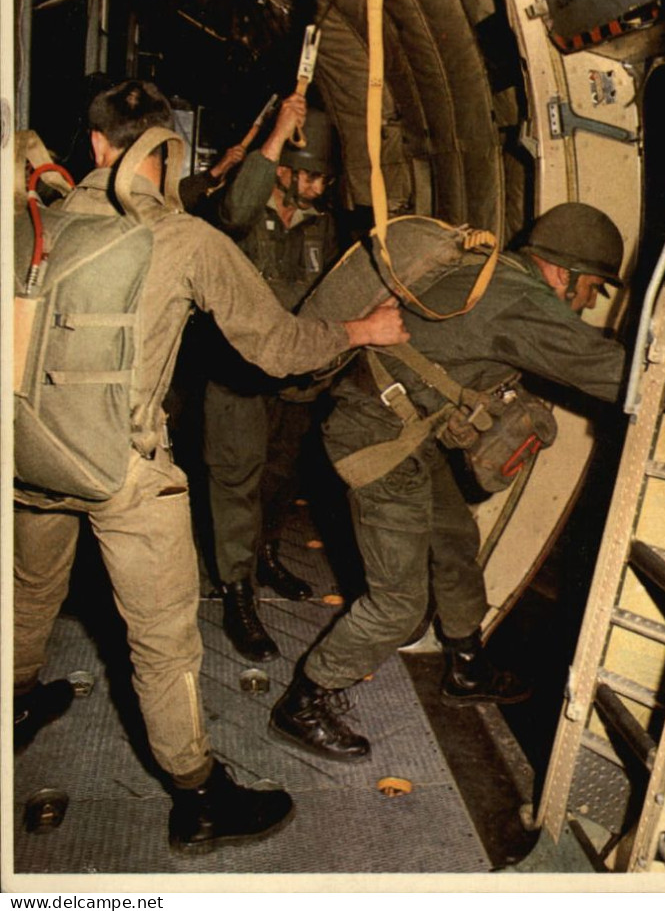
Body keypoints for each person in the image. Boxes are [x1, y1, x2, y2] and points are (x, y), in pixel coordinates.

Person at [13, 79, 408, 852]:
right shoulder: (187, 241)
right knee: (162, 643)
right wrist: (359, 329)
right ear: (165, 153)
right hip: (124, 472)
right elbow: (278, 347)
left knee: (28, 591)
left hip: (30, 455)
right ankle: (197, 798)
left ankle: (17, 703)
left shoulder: (37, 224)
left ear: (94, 146)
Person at [269, 202, 628, 761]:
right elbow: (612, 374)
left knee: (455, 539)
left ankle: (465, 666)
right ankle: (306, 698)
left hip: (407, 432)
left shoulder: (491, 272)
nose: (588, 302)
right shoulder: (519, 300)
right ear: (565, 273)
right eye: (593, 289)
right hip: (378, 441)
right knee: (398, 604)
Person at [201, 98, 339, 662]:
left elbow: (327, 291)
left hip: (294, 377)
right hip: (237, 372)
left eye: (325, 179)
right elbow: (233, 209)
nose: (319, 188)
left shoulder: (322, 226)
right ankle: (237, 592)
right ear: (284, 170)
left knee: (280, 476)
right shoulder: (242, 208)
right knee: (235, 480)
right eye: (312, 176)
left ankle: (265, 553)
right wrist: (278, 131)